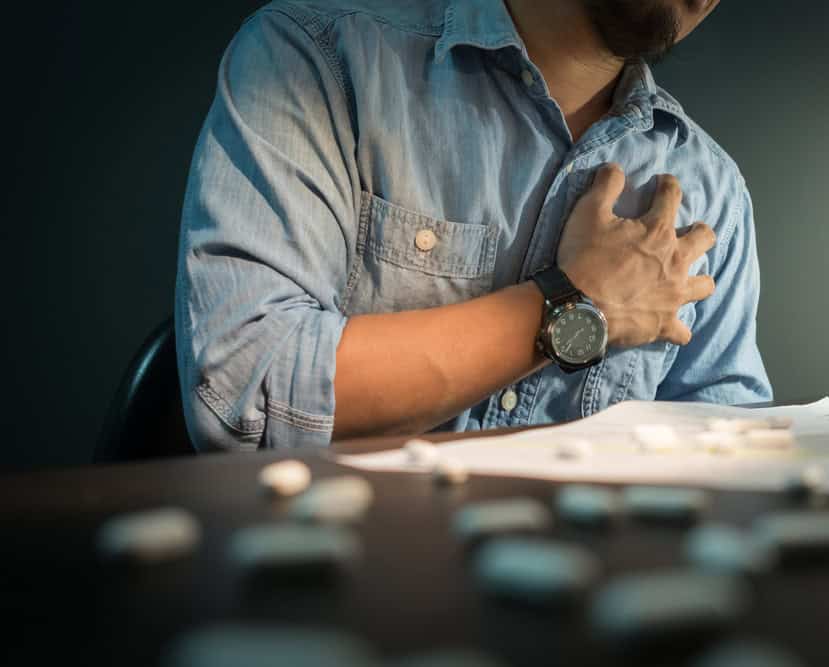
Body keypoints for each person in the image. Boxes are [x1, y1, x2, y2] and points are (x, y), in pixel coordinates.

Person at [175, 0, 772, 452]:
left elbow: (729, 454)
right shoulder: (313, 59)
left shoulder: (712, 191)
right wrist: (580, 304)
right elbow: (246, 393)